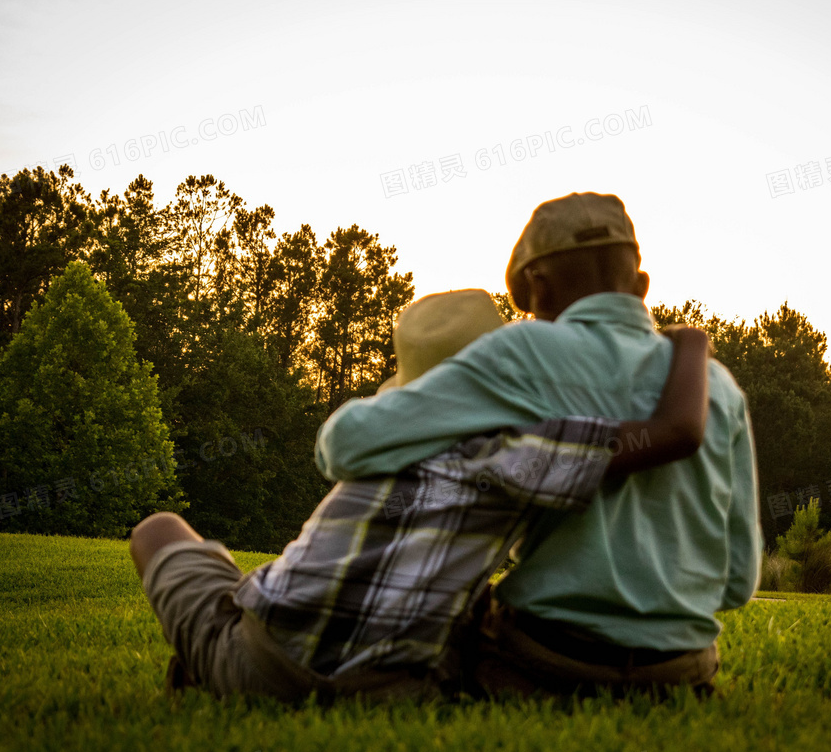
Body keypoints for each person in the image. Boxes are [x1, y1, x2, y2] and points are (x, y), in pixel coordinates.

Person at [129, 288, 712, 704]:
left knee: (157, 530)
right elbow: (677, 431)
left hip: (259, 661)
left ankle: (210, 652)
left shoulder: (379, 443)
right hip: (391, 690)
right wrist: (690, 343)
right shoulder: (521, 450)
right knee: (471, 604)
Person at [316, 192, 762, 699]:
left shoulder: (523, 351)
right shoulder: (718, 387)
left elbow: (343, 445)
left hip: (542, 666)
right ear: (640, 286)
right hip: (681, 675)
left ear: (538, 285)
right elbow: (737, 581)